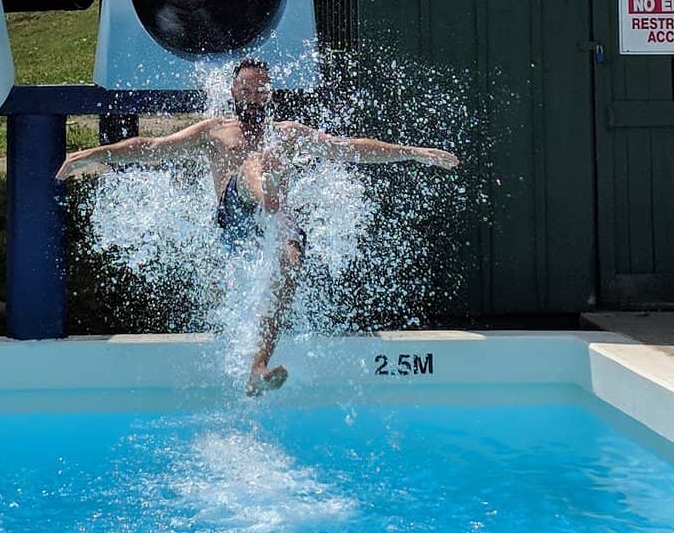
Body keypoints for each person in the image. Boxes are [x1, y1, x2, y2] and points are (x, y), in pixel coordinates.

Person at [56, 59, 459, 395]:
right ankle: (266, 191)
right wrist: (93, 152)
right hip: (235, 218)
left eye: (260, 91)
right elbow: (153, 149)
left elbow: (349, 148)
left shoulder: (289, 133)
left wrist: (414, 153)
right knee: (258, 163)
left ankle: (258, 365)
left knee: (291, 256)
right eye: (245, 92)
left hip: (272, 222)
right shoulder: (216, 131)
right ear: (233, 95)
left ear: (270, 94)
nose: (253, 98)